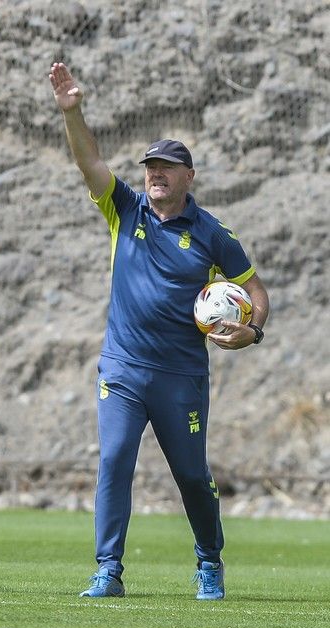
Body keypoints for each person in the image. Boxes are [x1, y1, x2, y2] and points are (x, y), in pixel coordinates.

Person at [48, 62, 270, 600]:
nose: (156, 175)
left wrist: (253, 332)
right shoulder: (125, 208)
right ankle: (108, 570)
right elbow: (89, 161)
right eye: (151, 167)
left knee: (192, 475)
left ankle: (209, 559)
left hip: (181, 376)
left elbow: (257, 296)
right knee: (113, 461)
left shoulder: (214, 235)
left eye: (167, 168)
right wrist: (73, 112)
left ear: (188, 176)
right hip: (123, 368)